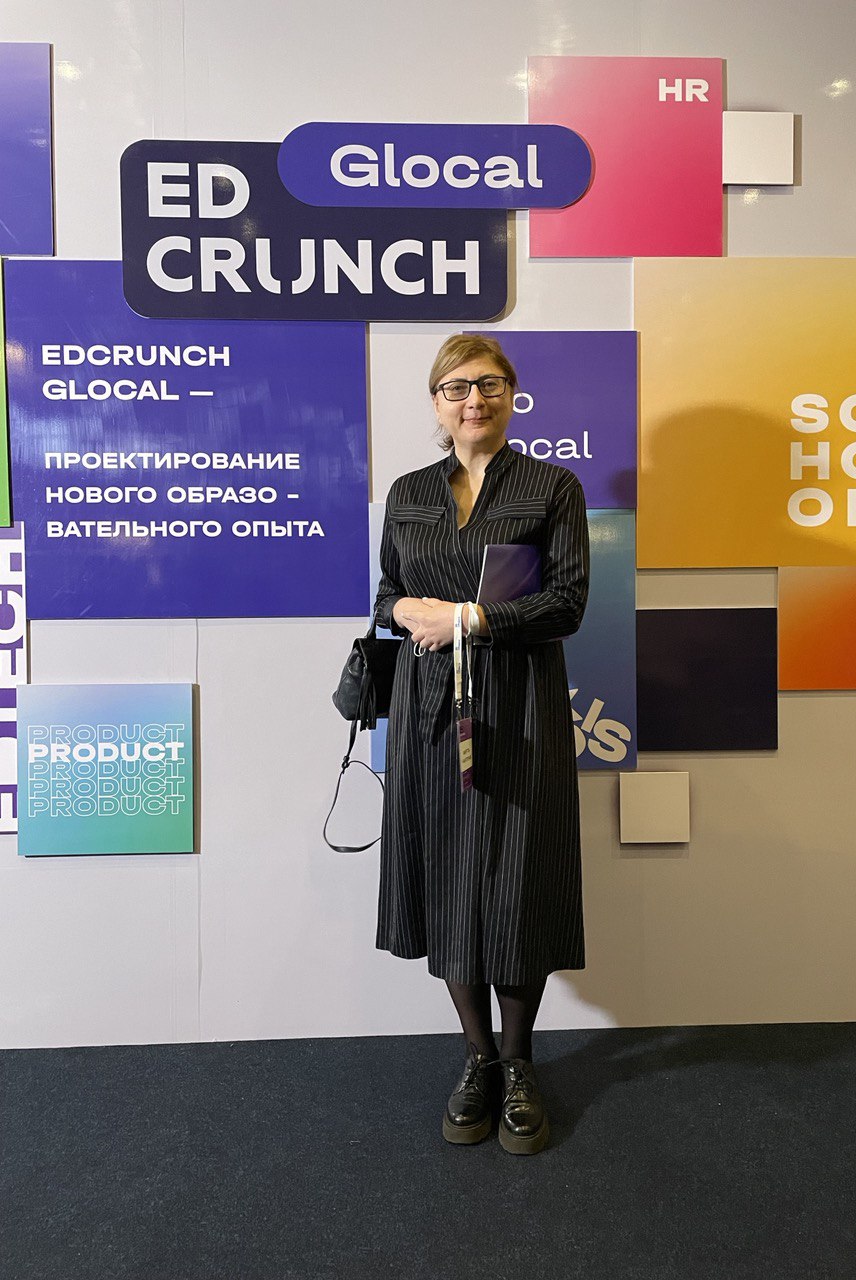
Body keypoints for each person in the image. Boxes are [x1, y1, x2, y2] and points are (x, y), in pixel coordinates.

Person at [373, 334, 589, 1155]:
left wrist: (468, 617)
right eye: (458, 387)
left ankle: (521, 1062)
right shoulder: (408, 492)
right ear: (437, 401)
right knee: (449, 874)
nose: (476, 399)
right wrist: (404, 612)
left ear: (511, 396)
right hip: (429, 708)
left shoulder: (551, 487)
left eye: (491, 384)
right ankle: (478, 1059)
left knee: (518, 878)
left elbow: (567, 603)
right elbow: (389, 591)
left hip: (519, 704)